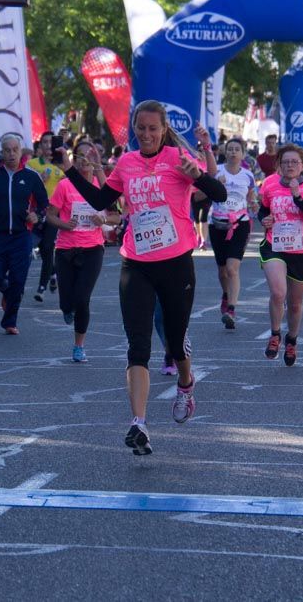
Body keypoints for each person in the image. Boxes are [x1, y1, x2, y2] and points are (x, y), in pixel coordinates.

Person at [62, 101, 226, 456]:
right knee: (138, 345)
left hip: (176, 263)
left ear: (163, 128)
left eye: (153, 129)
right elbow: (103, 200)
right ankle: (139, 423)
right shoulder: (127, 162)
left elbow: (219, 194)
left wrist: (197, 175)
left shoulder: (177, 160)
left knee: (175, 340)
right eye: (141, 129)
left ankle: (185, 383)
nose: (147, 135)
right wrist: (73, 172)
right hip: (135, 263)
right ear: (134, 130)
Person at [45, 141, 117, 362]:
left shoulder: (101, 185)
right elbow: (50, 215)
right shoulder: (65, 186)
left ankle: (79, 346)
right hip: (66, 249)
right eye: (80, 156)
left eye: (89, 156)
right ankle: (67, 308)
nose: (84, 160)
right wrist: (65, 224)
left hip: (92, 249)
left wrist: (103, 219)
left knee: (82, 298)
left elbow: (116, 217)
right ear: (73, 161)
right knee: (67, 302)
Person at [0, 134, 49, 335]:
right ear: (1, 153)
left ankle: (9, 322)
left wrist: (36, 216)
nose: (12, 153)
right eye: (7, 150)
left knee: (18, 280)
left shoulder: (31, 176)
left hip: (22, 237)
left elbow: (43, 204)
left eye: (15, 149)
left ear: (21, 151)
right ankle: (6, 290)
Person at [258, 144, 303, 366]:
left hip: (301, 250)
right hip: (274, 246)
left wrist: (298, 197)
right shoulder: (269, 184)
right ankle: (275, 334)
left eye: (294, 162)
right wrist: (264, 219)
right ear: (279, 165)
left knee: (295, 304)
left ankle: (292, 340)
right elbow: (263, 209)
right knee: (278, 293)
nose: (290, 166)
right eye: (285, 162)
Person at [209, 137, 257, 329]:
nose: (233, 152)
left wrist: (257, 207)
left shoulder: (248, 175)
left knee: (232, 269)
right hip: (217, 225)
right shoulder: (216, 172)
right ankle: (226, 294)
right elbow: (202, 195)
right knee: (222, 270)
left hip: (240, 224)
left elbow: (251, 198)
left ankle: (231, 309)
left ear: (243, 154)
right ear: (225, 152)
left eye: (237, 149)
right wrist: (216, 186)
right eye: (230, 149)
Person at [28, 131, 65, 302]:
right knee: (43, 250)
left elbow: (70, 187)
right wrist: (38, 181)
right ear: (40, 146)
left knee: (48, 246)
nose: (48, 146)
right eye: (44, 142)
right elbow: (25, 188)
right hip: (35, 213)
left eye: (51, 142)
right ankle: (53, 273)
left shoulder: (63, 166)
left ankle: (41, 288)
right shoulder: (32, 164)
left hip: (52, 213)